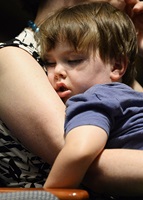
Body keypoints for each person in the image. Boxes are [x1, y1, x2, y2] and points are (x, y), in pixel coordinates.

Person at [0, 0, 143, 194]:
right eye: (50, 63)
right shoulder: (13, 57)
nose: (58, 71)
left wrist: (134, 42)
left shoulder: (103, 66)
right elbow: (82, 162)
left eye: (74, 60)